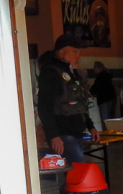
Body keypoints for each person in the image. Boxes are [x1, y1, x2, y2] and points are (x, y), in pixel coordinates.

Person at [37, 34, 101, 163]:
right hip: (63, 135)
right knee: (78, 169)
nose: (78, 56)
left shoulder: (71, 72)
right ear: (62, 53)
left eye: (79, 52)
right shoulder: (51, 72)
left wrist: (91, 127)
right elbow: (44, 106)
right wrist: (54, 135)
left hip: (77, 133)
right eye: (74, 52)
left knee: (74, 171)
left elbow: (79, 104)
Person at [90, 61, 116, 128]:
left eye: (94, 67)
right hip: (112, 98)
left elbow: (95, 88)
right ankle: (112, 131)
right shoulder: (107, 75)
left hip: (104, 99)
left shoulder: (100, 77)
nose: (93, 69)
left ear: (98, 68)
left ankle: (107, 132)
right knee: (111, 118)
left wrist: (89, 92)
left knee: (105, 119)